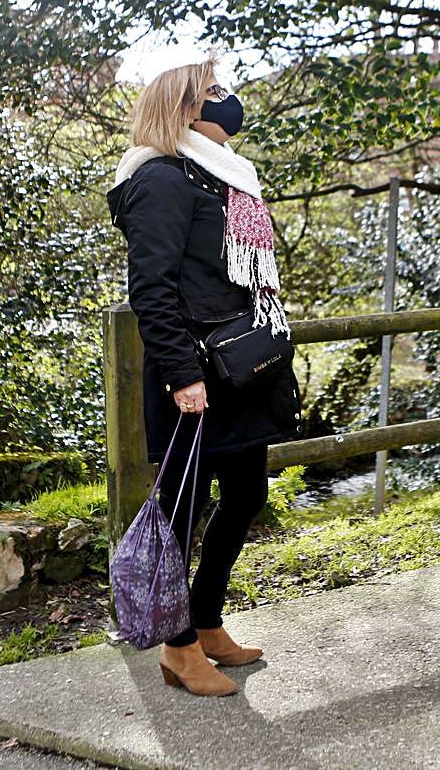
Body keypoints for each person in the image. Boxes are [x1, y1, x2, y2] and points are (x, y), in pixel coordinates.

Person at [107, 54, 303, 697]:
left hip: (237, 372)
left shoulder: (220, 177)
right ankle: (178, 648)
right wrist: (182, 375)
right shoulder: (160, 178)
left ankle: (207, 619)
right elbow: (151, 288)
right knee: (182, 511)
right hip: (195, 378)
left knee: (247, 496)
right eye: (215, 90)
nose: (229, 99)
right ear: (185, 107)